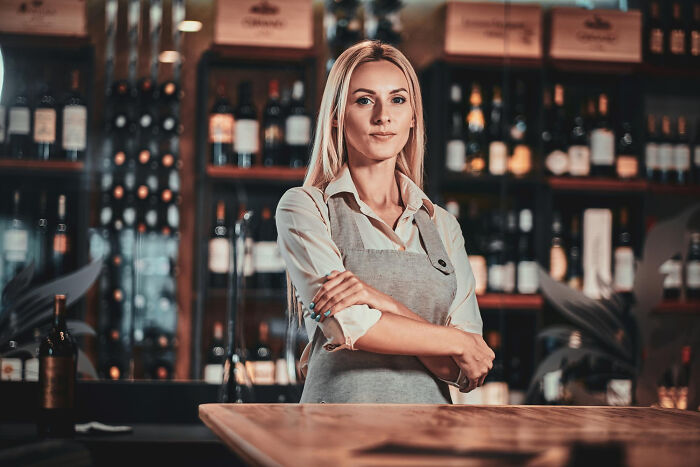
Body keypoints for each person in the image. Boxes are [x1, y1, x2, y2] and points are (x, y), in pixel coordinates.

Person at [276, 40, 494, 403]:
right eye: (364, 100)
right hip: (335, 438)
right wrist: (455, 340)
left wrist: (381, 300)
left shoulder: (442, 225)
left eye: (397, 99)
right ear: (336, 115)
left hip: (429, 441)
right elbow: (349, 326)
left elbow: (466, 369)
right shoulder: (305, 208)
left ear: (413, 117)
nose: (383, 116)